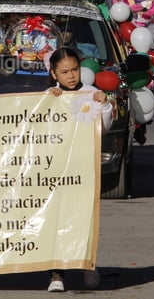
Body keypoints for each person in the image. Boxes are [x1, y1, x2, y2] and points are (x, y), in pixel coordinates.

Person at [45, 47, 112, 292]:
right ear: (54, 73)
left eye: (74, 70)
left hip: (84, 170)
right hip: (56, 171)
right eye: (64, 72)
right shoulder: (50, 95)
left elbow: (103, 127)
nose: (71, 76)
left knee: (84, 220)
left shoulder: (90, 93)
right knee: (55, 220)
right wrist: (49, 101)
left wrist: (104, 106)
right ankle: (56, 274)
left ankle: (88, 266)